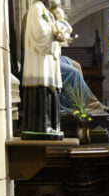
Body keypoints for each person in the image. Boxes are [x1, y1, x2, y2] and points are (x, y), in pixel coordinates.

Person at [22, 0, 64, 133]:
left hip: (47, 60)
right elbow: (39, 34)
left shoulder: (45, 11)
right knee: (43, 88)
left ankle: (51, 125)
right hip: (39, 60)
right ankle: (42, 126)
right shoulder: (36, 8)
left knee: (50, 89)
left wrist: (58, 32)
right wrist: (55, 33)